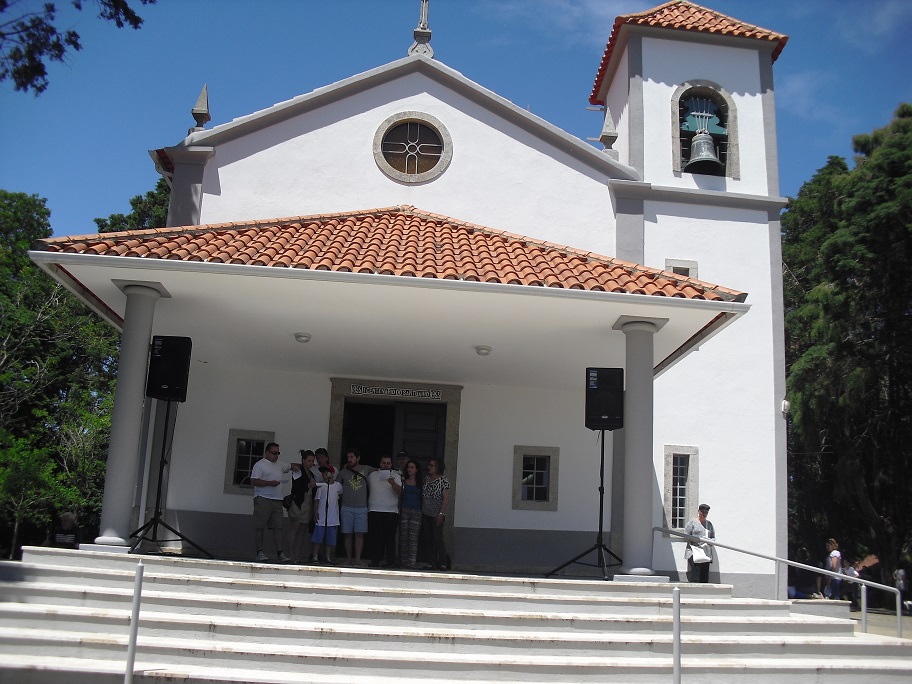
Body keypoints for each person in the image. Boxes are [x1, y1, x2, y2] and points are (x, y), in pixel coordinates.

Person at [250, 442, 298, 563]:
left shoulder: (280, 465)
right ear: (267, 452)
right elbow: (254, 481)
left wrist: (302, 466)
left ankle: (280, 553)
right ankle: (259, 552)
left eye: (278, 453)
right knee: (259, 527)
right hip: (263, 498)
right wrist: (270, 483)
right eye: (274, 453)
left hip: (277, 500)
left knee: (278, 527)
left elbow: (291, 466)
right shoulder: (260, 465)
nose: (276, 455)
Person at [335, 447, 373, 565]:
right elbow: (336, 486)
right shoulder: (343, 472)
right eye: (348, 457)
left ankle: (357, 559)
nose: (349, 459)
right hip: (346, 507)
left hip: (362, 507)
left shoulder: (366, 469)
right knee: (347, 534)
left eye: (352, 457)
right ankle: (348, 558)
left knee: (359, 534)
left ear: (358, 458)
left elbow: (380, 471)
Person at [367, 455, 402, 567]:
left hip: (391, 511)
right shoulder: (372, 475)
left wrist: (393, 483)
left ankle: (391, 561)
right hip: (374, 510)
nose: (386, 465)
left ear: (391, 464)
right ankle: (375, 561)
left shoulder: (396, 476)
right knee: (376, 538)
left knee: (390, 538)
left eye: (388, 463)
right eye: (384, 463)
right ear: (380, 464)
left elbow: (400, 492)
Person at [421, 458, 450, 570]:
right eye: (429, 465)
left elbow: (445, 499)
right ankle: (431, 562)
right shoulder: (426, 480)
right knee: (429, 539)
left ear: (438, 467)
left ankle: (443, 562)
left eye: (432, 465)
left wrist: (441, 513)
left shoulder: (444, 481)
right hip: (426, 514)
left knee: (438, 538)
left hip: (437, 514)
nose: (429, 467)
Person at [288, 450, 317, 563]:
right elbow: (296, 487)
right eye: (309, 461)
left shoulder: (311, 473)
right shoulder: (298, 471)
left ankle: (297, 555)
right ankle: (291, 554)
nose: (311, 463)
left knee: (302, 531)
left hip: (308, 503)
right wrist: (308, 485)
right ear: (303, 460)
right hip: (299, 502)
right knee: (295, 529)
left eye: (312, 461)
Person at [311, 467, 342, 564]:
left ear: (332, 474)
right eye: (323, 474)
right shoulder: (322, 487)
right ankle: (315, 555)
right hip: (322, 516)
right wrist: (315, 513)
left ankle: (328, 556)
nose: (325, 476)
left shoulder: (338, 486)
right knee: (318, 537)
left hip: (332, 517)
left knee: (330, 539)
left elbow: (340, 495)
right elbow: (316, 501)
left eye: (326, 474)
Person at [398, 459, 423, 569]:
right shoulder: (403, 481)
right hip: (405, 510)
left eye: (412, 467)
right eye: (408, 467)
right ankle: (404, 561)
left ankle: (412, 562)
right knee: (404, 537)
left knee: (413, 537)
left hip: (416, 511)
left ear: (416, 470)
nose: (409, 469)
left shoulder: (421, 483)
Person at [684, 503, 715, 583]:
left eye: (706, 512)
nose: (704, 514)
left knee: (704, 574)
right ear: (699, 511)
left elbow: (713, 537)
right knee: (696, 572)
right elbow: (686, 535)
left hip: (705, 552)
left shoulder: (709, 524)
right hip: (694, 551)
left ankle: (704, 589)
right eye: (702, 512)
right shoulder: (692, 522)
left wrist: (710, 542)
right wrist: (697, 540)